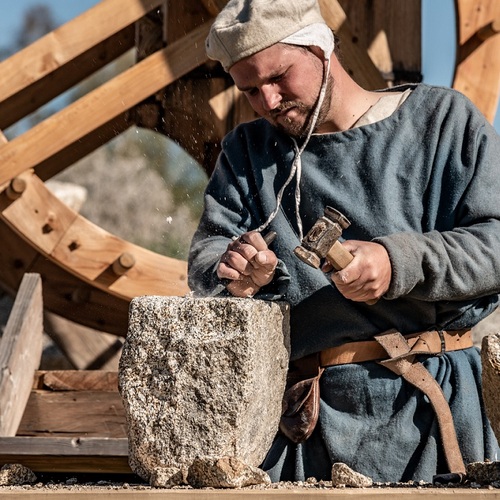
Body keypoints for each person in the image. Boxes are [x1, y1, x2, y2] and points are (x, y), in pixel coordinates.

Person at [188, 0, 500, 484]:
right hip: (303, 428)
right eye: (249, 90)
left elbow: (496, 244)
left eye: (279, 77)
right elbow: (205, 261)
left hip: (430, 412)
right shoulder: (248, 153)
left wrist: (400, 262)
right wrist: (235, 273)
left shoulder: (442, 122)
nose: (268, 101)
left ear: (322, 48)